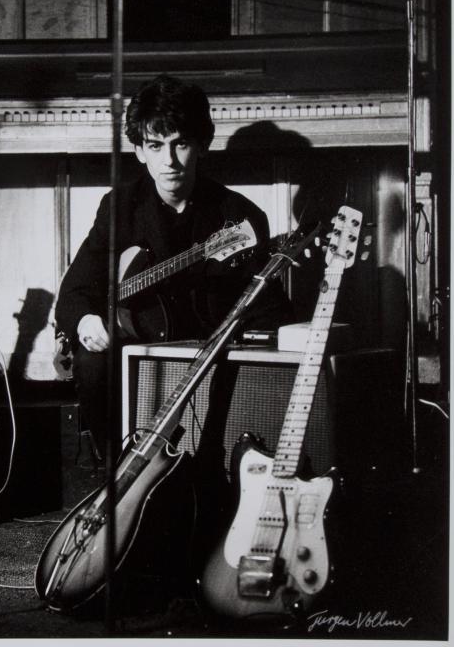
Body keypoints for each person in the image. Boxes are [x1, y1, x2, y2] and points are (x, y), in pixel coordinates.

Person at [55, 74, 293, 461]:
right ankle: (116, 473)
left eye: (180, 143)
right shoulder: (120, 207)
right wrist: (84, 321)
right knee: (93, 362)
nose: (168, 161)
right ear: (139, 151)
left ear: (202, 144)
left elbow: (267, 307)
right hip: (134, 340)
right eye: (155, 145)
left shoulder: (240, 218)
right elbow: (76, 289)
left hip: (207, 352)